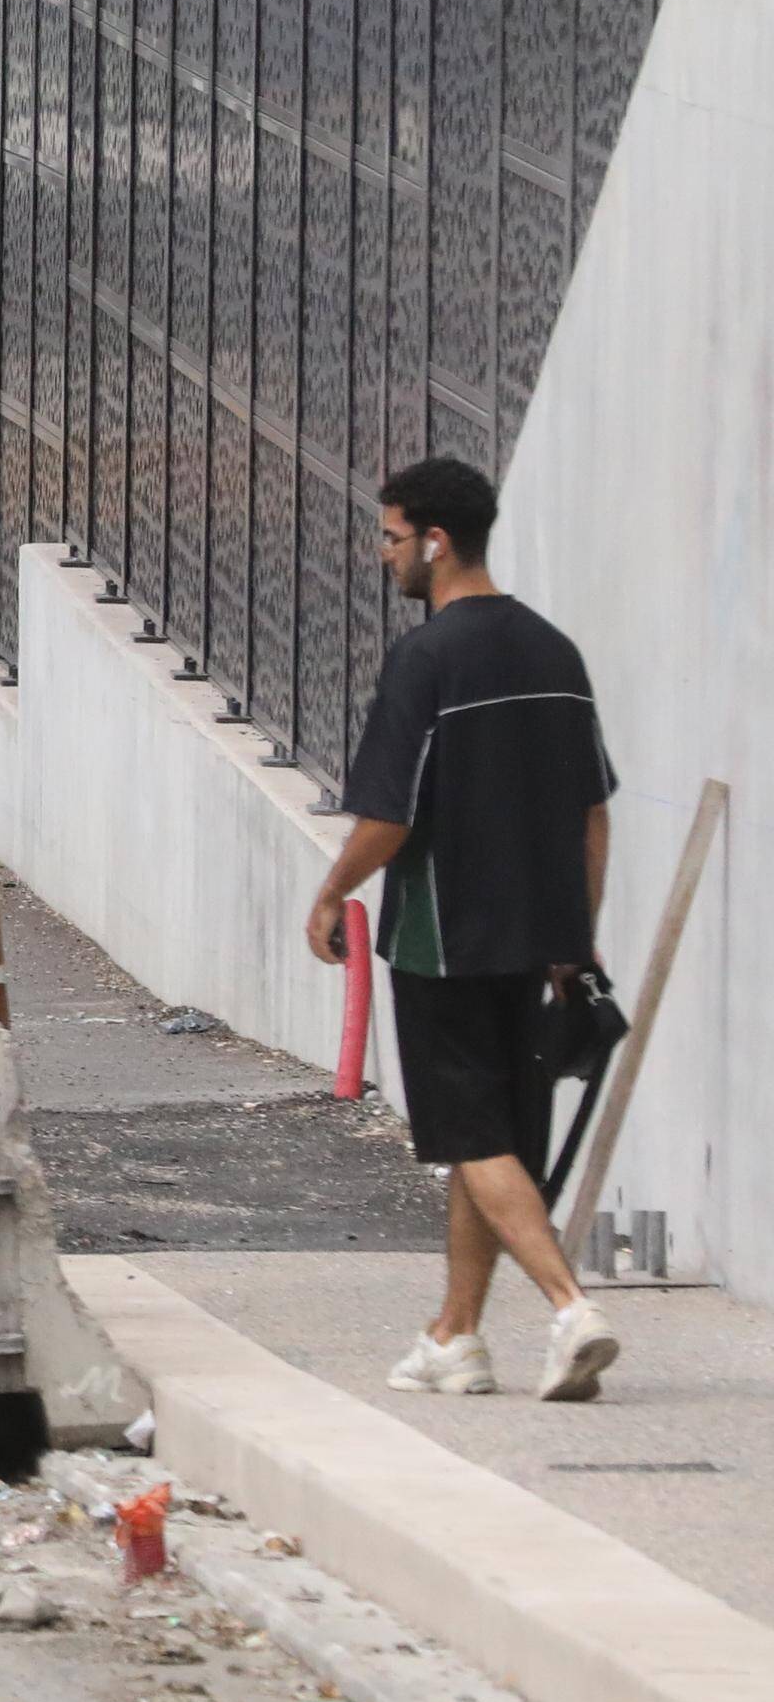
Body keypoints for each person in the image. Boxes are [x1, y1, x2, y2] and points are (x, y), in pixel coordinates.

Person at [306, 453, 622, 1403]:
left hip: (442, 938)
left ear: (435, 542)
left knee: (470, 1136)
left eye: (391, 536)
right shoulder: (554, 650)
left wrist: (330, 893)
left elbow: (389, 817)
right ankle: (456, 1336)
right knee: (492, 1141)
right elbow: (592, 812)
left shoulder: (427, 659)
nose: (383, 553)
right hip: (537, 942)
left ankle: (571, 1307)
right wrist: (576, 933)